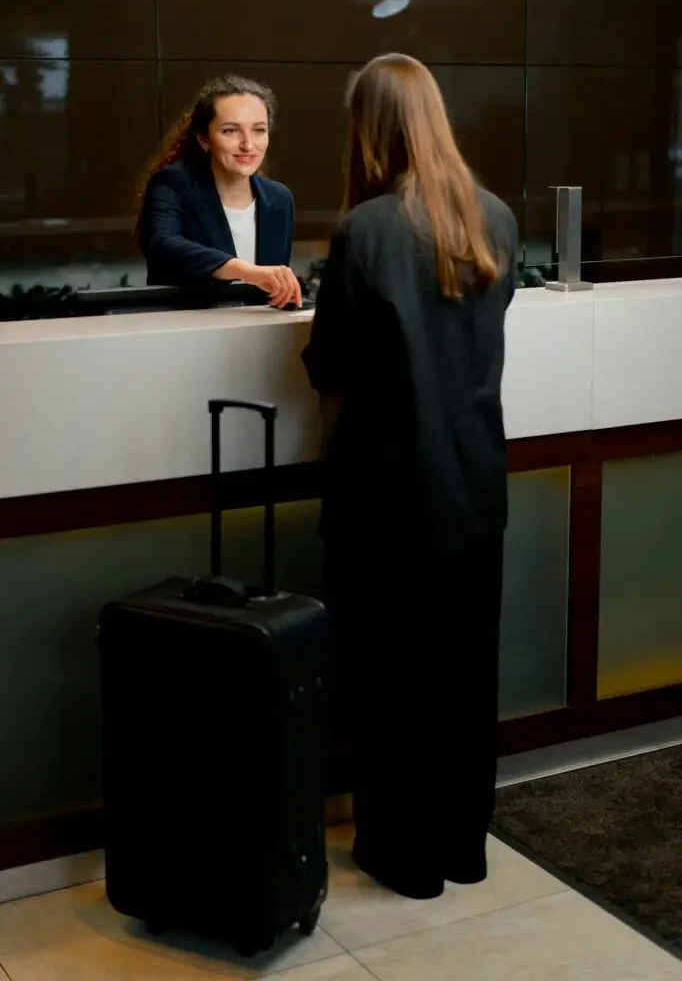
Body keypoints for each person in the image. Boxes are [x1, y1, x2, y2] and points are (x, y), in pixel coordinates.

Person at [302, 53, 517, 900]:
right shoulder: (494, 217)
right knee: (466, 675)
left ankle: (405, 857)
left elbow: (332, 365)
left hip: (389, 494)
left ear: (371, 127)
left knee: (393, 680)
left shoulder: (365, 231)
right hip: (478, 483)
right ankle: (463, 845)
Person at [135, 74, 301, 308]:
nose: (248, 144)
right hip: (186, 331)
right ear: (204, 138)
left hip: (261, 333)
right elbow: (163, 243)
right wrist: (245, 270)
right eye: (231, 131)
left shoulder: (279, 198)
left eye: (259, 130)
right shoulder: (171, 183)